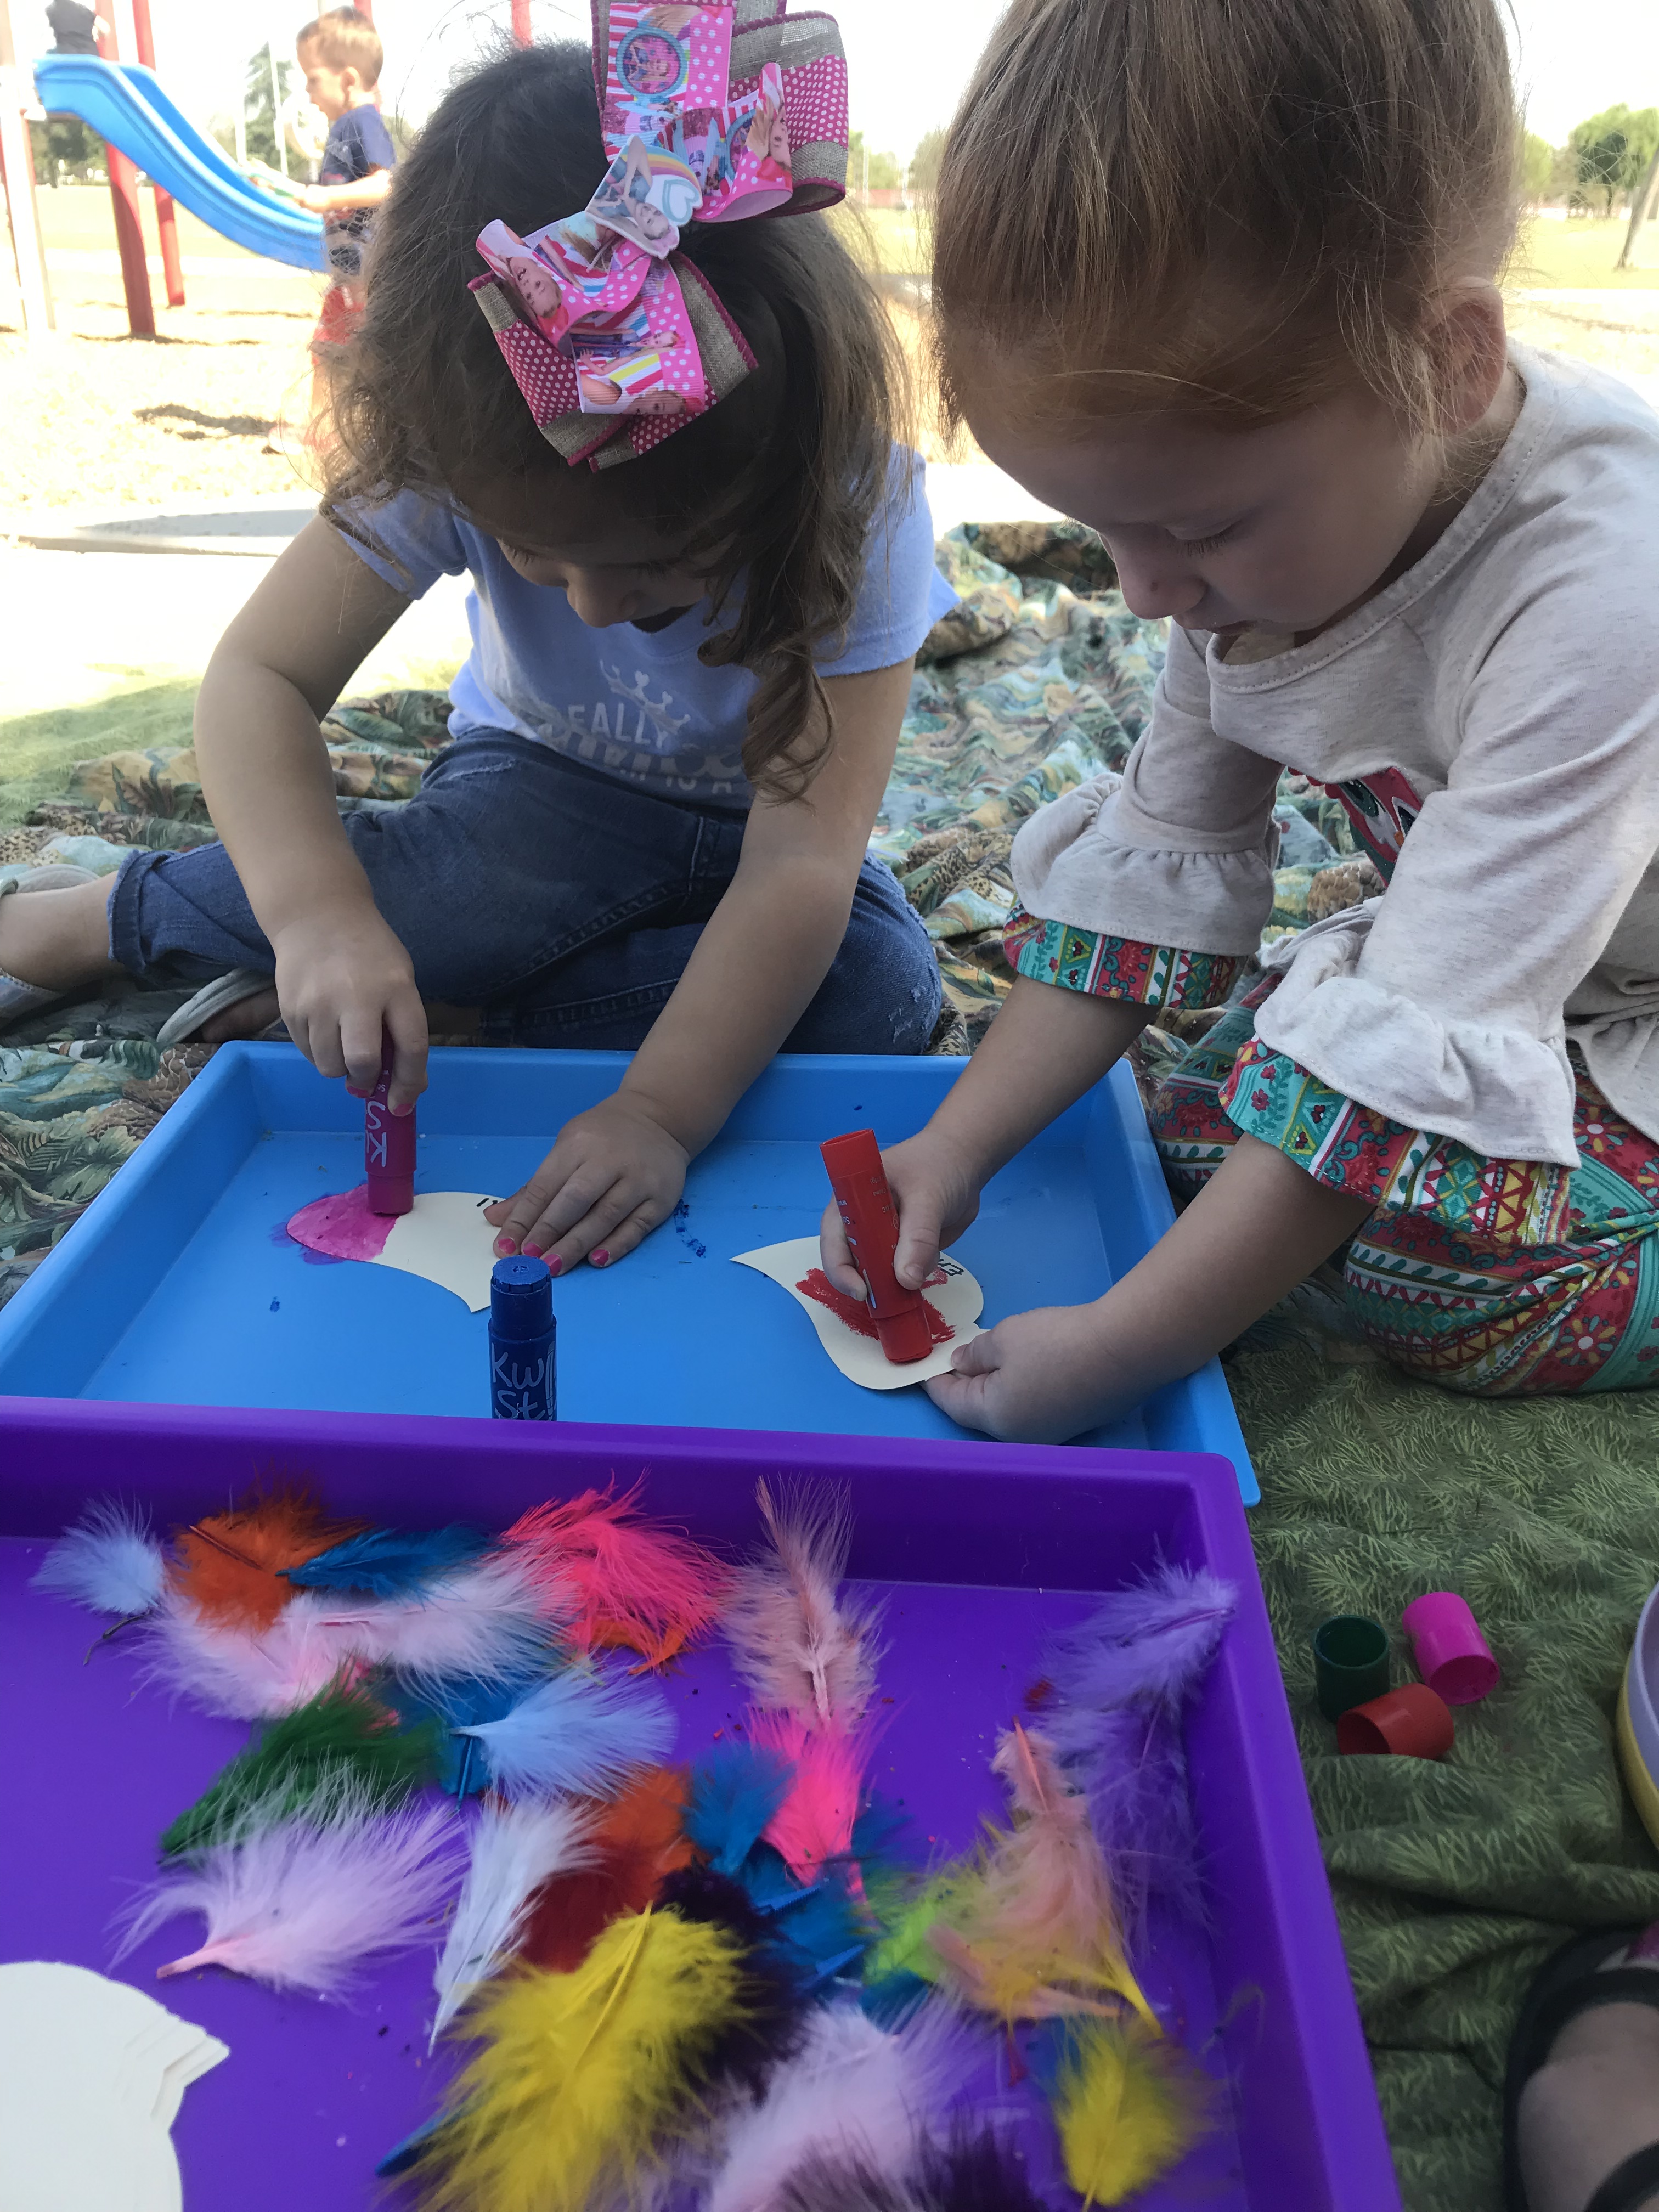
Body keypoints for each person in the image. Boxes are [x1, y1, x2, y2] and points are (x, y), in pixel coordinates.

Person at [816, 0, 1659, 1460]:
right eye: (1106, 529)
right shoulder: (1254, 536)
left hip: (1625, 996)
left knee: (1454, 1280)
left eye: (1198, 528)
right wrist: (949, 1149)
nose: (1147, 593)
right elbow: (1154, 876)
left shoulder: (1606, 596)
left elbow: (1408, 1060)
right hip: (1522, 971)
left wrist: (1125, 1348)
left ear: (1447, 365)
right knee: (1198, 1121)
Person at [0, 40, 949, 1279]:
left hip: (760, 850)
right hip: (538, 806)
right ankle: (94, 920)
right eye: (541, 558)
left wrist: (660, 1113)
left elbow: (800, 866)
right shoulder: (466, 433)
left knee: (880, 992)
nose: (597, 608)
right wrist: (322, 921)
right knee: (464, 897)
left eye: (669, 560)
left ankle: (462, 1008)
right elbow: (257, 681)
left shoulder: (859, 499)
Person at [279, 6, 395, 445]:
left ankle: (327, 430)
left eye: (312, 79)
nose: (307, 92)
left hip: (367, 272)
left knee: (340, 347)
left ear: (348, 79)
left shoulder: (362, 121)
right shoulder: (344, 126)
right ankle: (333, 429)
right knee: (337, 347)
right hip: (351, 271)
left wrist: (328, 198)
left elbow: (386, 184)